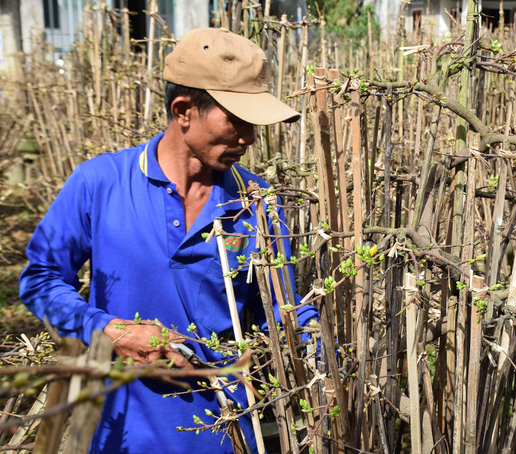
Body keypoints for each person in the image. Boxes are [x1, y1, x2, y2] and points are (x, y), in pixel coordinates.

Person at [19, 27, 317, 453]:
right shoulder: (99, 184)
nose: (249, 139)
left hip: (225, 435)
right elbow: (39, 281)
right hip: (118, 434)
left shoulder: (258, 204)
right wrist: (110, 330)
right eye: (237, 120)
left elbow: (277, 312)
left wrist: (321, 342)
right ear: (183, 110)